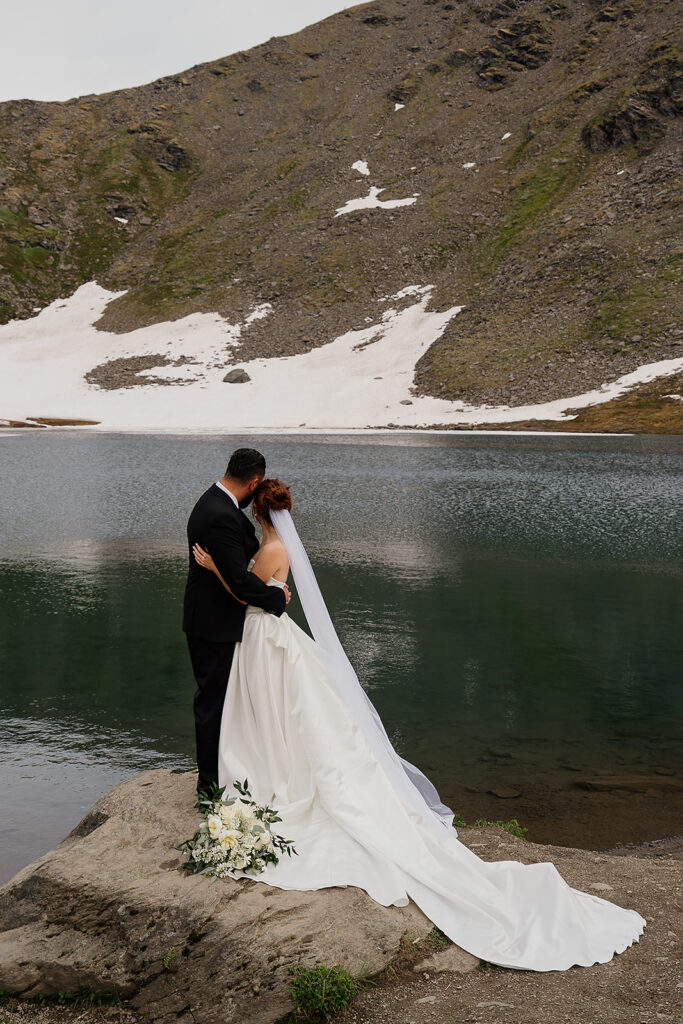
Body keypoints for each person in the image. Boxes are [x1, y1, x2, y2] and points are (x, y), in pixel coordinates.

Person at [191, 477, 647, 972]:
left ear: (259, 511)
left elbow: (248, 595)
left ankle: (278, 773)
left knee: (284, 714)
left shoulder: (271, 549)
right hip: (274, 639)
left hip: (266, 637)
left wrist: (216, 566)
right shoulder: (278, 544)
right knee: (301, 717)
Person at [183, 448, 290, 797]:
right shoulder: (220, 514)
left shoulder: (218, 503)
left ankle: (229, 770)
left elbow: (242, 563)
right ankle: (209, 784)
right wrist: (277, 598)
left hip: (222, 622)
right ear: (254, 481)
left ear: (228, 468)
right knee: (213, 703)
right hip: (213, 625)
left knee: (227, 702)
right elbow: (242, 585)